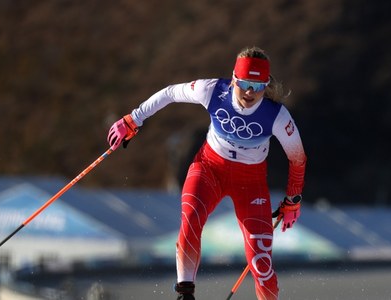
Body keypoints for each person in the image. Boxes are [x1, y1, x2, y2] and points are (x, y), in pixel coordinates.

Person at [107, 46, 307, 300]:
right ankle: (185, 293)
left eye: (257, 86)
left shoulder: (277, 116)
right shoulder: (212, 90)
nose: (249, 92)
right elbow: (170, 94)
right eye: (245, 83)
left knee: (261, 261)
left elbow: (297, 158)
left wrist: (293, 200)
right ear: (234, 78)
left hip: (250, 182)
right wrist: (133, 120)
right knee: (191, 217)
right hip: (210, 168)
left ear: (265, 86)